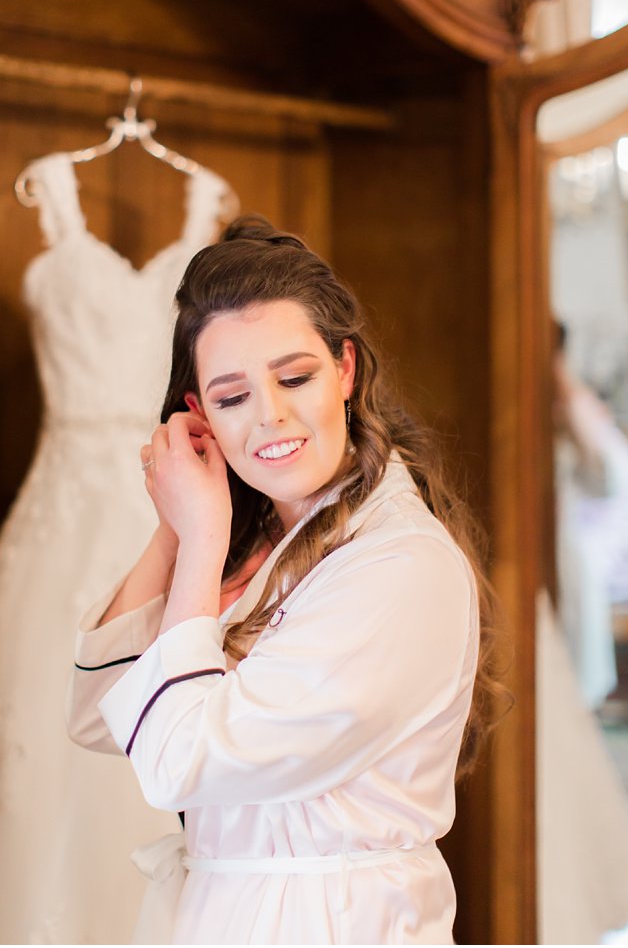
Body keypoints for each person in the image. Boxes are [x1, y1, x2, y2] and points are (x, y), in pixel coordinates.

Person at [67, 216, 508, 944]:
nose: (270, 414)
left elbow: (179, 762)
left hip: (333, 921)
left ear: (345, 369)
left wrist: (204, 538)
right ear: (199, 414)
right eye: (232, 396)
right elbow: (97, 713)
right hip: (225, 911)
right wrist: (176, 528)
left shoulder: (399, 566)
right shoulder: (257, 541)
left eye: (295, 376)